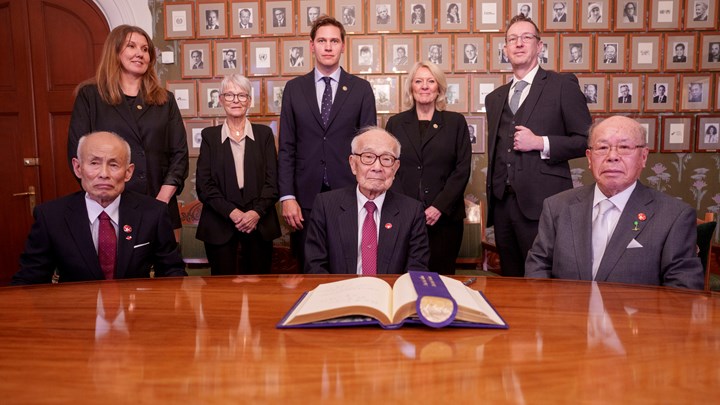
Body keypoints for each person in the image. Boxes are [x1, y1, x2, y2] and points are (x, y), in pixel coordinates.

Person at [525, 116, 703, 290]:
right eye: (602, 147)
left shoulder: (674, 216)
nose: (612, 156)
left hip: (635, 318)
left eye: (624, 147)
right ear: (589, 157)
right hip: (565, 316)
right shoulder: (557, 206)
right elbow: (538, 266)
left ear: (643, 157)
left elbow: (682, 291)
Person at [485, 14, 591, 277]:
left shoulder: (561, 85)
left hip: (544, 204)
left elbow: (587, 140)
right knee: (511, 279)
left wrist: (540, 143)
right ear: (505, 49)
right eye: (512, 39)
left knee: (544, 279)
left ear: (539, 46)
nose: (519, 43)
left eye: (526, 37)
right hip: (502, 205)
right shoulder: (495, 98)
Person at [13, 131, 186, 284]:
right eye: (94, 163)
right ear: (78, 168)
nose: (104, 174)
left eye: (113, 165)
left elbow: (172, 272)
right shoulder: (51, 216)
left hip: (135, 314)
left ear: (128, 172)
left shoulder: (153, 213)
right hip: (76, 314)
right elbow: (30, 279)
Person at [68, 25, 188, 232]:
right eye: (131, 46)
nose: (139, 54)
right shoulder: (90, 96)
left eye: (145, 49)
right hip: (108, 206)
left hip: (159, 203)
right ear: (115, 52)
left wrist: (160, 202)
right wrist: (105, 197)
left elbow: (179, 155)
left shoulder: (165, 100)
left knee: (164, 264)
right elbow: (78, 153)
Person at [278, 16, 376, 268]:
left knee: (347, 265)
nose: (328, 46)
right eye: (322, 40)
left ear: (343, 46)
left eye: (334, 41)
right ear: (312, 46)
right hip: (304, 199)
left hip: (349, 193)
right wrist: (287, 196)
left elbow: (369, 148)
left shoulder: (361, 89)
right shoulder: (293, 89)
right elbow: (287, 147)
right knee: (309, 268)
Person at [385, 62, 471, 275]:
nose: (424, 86)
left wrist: (439, 207)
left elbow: (461, 169)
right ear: (411, 88)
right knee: (405, 277)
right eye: (418, 81)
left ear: (439, 88)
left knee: (441, 279)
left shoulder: (455, 122)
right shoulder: (395, 123)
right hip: (404, 217)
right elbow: (389, 167)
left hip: (445, 219)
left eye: (430, 81)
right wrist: (408, 209)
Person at [304, 127, 430, 274]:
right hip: (340, 292)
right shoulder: (326, 205)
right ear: (353, 164)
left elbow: (417, 269)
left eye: (386, 159)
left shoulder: (412, 211)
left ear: (395, 169)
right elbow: (315, 266)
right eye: (368, 157)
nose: (377, 167)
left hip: (389, 293)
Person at [195, 74, 281, 275]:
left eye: (242, 95)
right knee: (223, 295)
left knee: (260, 292)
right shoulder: (210, 137)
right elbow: (204, 186)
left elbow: (273, 182)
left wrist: (255, 213)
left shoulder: (264, 135)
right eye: (230, 95)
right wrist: (232, 213)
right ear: (220, 99)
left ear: (249, 101)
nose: (236, 100)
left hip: (259, 224)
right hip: (219, 224)